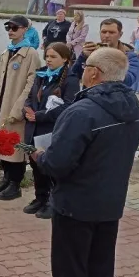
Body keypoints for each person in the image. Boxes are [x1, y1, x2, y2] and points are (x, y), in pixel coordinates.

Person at [30, 48, 139, 277]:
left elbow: (58, 163)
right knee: (100, 272)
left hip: (76, 204)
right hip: (109, 203)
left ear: (95, 72)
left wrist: (40, 156)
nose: (82, 70)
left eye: (86, 66)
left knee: (71, 273)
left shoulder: (82, 111)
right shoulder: (135, 109)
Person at [0, 15, 41, 200]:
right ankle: (7, 177)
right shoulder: (5, 52)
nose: (11, 30)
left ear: (25, 29)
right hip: (2, 106)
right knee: (3, 143)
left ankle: (15, 183)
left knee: (15, 146)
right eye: (8, 27)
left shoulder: (30, 54)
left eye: (15, 27)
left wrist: (19, 109)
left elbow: (31, 84)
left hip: (14, 108)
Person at [22, 42, 79, 220]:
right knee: (36, 165)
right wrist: (28, 109)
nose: (49, 60)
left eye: (53, 57)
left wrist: (39, 116)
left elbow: (69, 106)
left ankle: (53, 202)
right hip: (34, 128)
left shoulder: (70, 79)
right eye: (47, 56)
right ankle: (40, 197)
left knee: (50, 167)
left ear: (65, 59)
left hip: (51, 130)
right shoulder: (41, 74)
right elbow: (30, 98)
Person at [71, 18, 139, 87]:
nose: (107, 35)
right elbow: (74, 75)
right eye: (104, 32)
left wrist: (112, 60)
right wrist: (83, 57)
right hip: (91, 94)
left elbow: (129, 80)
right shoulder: (91, 50)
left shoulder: (129, 55)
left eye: (112, 32)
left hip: (117, 95)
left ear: (120, 34)